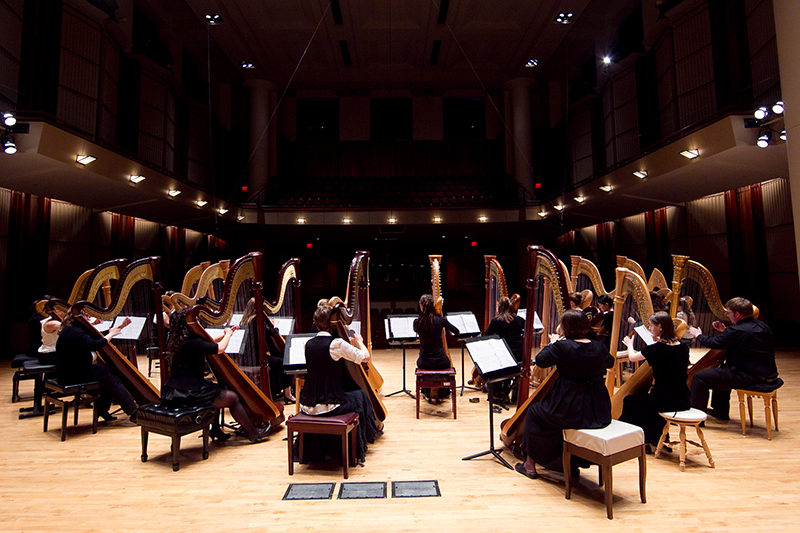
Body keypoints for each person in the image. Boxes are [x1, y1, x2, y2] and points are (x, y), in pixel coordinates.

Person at [516, 309, 614, 480]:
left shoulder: (562, 346)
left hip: (570, 408)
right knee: (550, 419)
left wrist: (553, 343)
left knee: (535, 414)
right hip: (598, 410)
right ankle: (564, 462)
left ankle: (530, 464)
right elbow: (610, 362)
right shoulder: (598, 346)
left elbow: (540, 360)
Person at [162, 308, 269, 442]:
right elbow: (219, 349)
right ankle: (253, 434)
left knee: (216, 390)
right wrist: (228, 335)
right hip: (188, 392)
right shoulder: (192, 342)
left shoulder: (177, 340)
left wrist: (226, 333)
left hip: (175, 390)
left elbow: (209, 342)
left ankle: (216, 429)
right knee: (232, 397)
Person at [298, 300, 379, 464]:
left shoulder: (308, 344)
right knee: (361, 396)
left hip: (307, 404)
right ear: (333, 324)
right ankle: (363, 443)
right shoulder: (336, 344)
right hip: (328, 405)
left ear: (315, 323)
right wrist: (360, 341)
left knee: (356, 396)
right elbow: (366, 357)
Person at [686, 297, 782, 420]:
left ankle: (697, 416)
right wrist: (724, 331)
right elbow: (744, 339)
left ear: (737, 314)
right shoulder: (763, 326)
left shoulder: (736, 331)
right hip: (767, 374)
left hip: (749, 376)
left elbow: (714, 343)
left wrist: (698, 335)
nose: (728, 315)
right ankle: (720, 411)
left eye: (729, 313)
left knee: (699, 377)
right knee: (722, 371)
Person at [619, 311, 690, 450]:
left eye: (652, 326)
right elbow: (668, 354)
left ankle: (640, 440)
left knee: (630, 401)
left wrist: (629, 345)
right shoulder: (683, 347)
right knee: (647, 403)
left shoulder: (656, 349)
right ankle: (656, 438)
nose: (650, 329)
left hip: (665, 400)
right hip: (683, 398)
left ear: (661, 328)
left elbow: (633, 357)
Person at [56, 309, 138, 423]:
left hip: (72, 370)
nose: (89, 318)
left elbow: (95, 338)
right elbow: (94, 345)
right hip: (73, 374)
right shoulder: (75, 332)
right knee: (112, 379)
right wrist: (111, 334)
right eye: (87, 316)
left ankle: (102, 410)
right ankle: (134, 413)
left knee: (108, 376)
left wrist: (119, 328)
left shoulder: (71, 330)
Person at [239, 297, 295, 403]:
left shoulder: (245, 320)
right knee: (284, 362)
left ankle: (275, 391)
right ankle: (288, 395)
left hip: (246, 358)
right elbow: (273, 332)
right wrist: (276, 325)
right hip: (256, 359)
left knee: (276, 361)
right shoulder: (256, 320)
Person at [414, 293, 459, 401]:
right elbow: (456, 331)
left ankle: (427, 393)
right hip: (440, 361)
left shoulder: (417, 322)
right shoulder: (440, 320)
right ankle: (442, 394)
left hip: (424, 361)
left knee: (419, 363)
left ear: (421, 306)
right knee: (447, 363)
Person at [484, 296, 524, 402]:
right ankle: (513, 391)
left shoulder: (496, 321)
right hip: (518, 355)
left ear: (499, 308)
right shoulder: (520, 320)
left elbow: (487, 334)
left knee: (492, 363)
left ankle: (497, 393)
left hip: (504, 355)